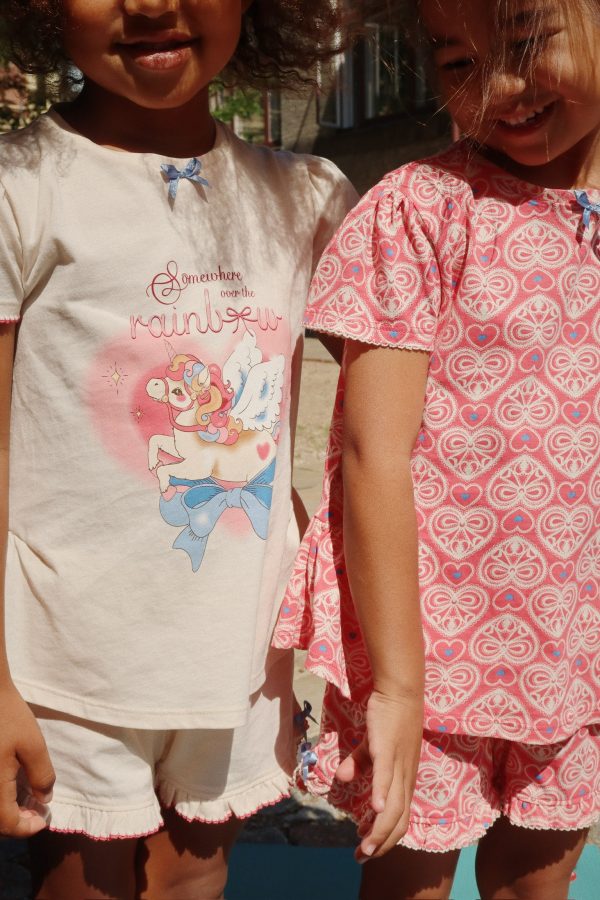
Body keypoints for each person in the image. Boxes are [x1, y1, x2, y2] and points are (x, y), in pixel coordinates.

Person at [0, 1, 358, 897]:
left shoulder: (308, 198)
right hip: (62, 658)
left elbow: (419, 398)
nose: (155, 4)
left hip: (235, 646)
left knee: (197, 880)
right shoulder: (22, 186)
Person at [274, 0, 600, 897]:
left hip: (574, 642)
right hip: (434, 645)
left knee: (540, 879)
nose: (500, 88)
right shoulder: (423, 211)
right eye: (459, 63)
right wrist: (400, 689)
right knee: (409, 878)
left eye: (526, 42)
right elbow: (372, 453)